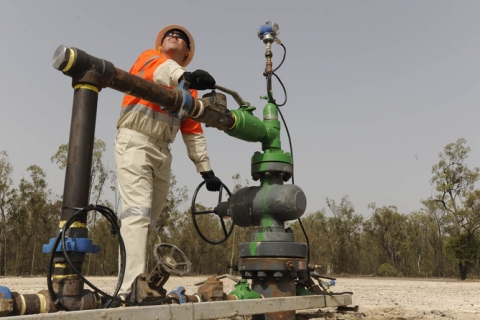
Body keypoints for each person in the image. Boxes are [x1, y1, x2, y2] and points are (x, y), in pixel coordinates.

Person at [114, 24, 221, 294]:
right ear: (161, 46)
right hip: (136, 140)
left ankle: (140, 286)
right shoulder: (150, 58)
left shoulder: (190, 94)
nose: (175, 37)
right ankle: (130, 291)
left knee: (148, 220)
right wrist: (188, 76)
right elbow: (165, 71)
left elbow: (193, 132)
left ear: (187, 53)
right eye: (170, 35)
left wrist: (205, 170)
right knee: (137, 213)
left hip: (162, 152)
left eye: (182, 38)